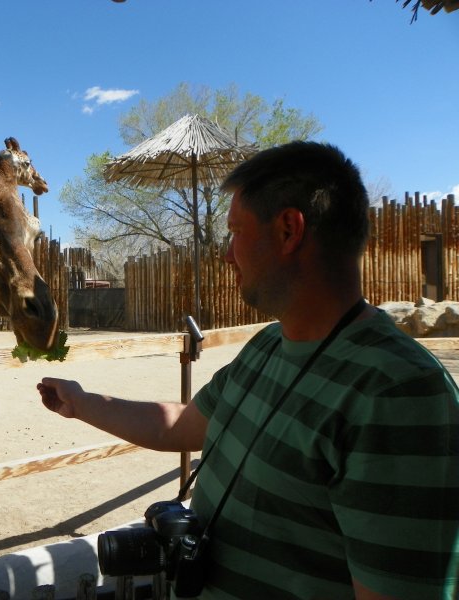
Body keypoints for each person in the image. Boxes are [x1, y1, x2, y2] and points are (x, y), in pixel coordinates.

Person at [37, 141, 459, 600]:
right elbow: (179, 424)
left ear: (288, 230)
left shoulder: (399, 394)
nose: (226, 254)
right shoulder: (269, 345)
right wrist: (82, 402)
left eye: (235, 231)